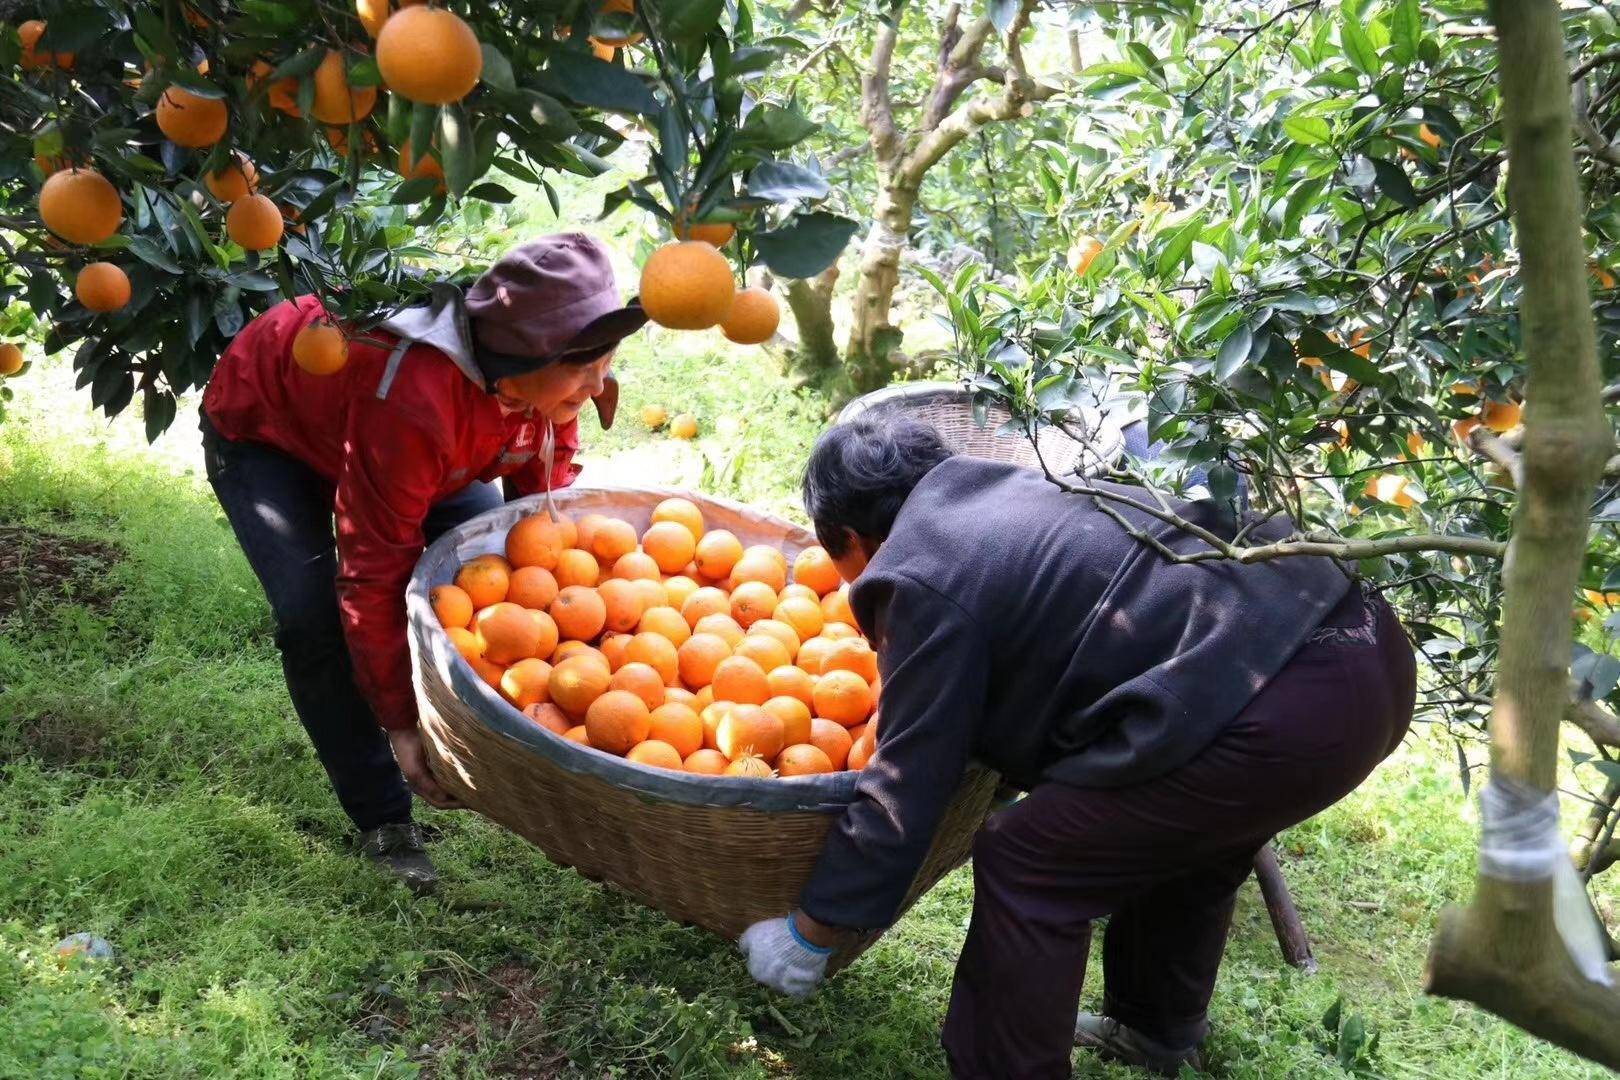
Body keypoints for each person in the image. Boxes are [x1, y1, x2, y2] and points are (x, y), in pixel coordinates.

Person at [739, 413, 1416, 1078]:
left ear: (852, 539)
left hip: (1286, 707)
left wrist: (812, 931)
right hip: (1365, 650)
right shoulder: (1008, 493)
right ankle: (1154, 1030)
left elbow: (907, 784)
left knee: (1029, 859)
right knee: (1184, 836)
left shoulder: (919, 570)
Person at [200, 233, 645, 893]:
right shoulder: (414, 396)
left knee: (488, 578)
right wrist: (401, 724)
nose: (598, 382)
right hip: (272, 430)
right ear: (518, 361)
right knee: (316, 618)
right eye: (583, 369)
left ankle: (483, 749)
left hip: (427, 442)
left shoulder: (552, 384)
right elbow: (373, 567)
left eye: (603, 362)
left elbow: (540, 515)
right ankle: (385, 816)